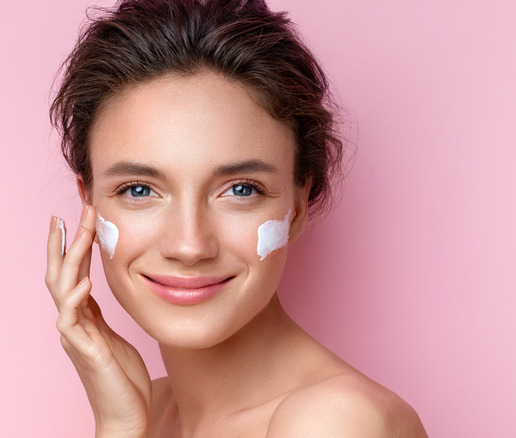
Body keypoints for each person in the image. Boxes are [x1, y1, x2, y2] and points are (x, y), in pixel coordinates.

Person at [45, 0, 428, 436]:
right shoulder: (143, 410)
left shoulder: (334, 422)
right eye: (139, 190)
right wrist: (118, 425)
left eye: (241, 190)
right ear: (89, 204)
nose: (189, 246)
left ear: (297, 207)